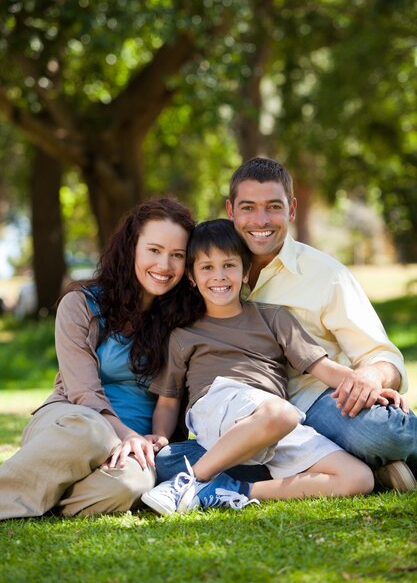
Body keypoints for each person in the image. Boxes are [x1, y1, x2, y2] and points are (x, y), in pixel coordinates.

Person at [155, 157, 417, 492]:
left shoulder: (326, 274)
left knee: (384, 433)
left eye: (273, 207)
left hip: (316, 400)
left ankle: (353, 459)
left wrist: (370, 378)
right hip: (239, 412)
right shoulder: (208, 263)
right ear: (230, 210)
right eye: (248, 207)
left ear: (292, 209)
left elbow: (382, 356)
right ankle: (355, 466)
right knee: (165, 460)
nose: (260, 220)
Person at [141, 219, 376, 515]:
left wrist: (366, 383)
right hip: (219, 405)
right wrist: (161, 438)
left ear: (246, 270)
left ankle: (228, 490)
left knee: (358, 478)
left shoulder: (273, 318)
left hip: (271, 420)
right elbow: (168, 400)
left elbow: (324, 368)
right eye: (207, 268)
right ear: (191, 276)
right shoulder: (184, 334)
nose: (219, 276)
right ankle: (191, 479)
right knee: (282, 412)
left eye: (229, 265)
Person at [0, 197, 198, 520]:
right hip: (71, 423)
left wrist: (150, 440)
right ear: (132, 247)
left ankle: (46, 498)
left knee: (133, 484)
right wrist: (123, 434)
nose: (165, 265)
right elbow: (83, 394)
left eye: (177, 255)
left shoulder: (185, 319)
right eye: (154, 250)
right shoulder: (81, 305)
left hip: (138, 449)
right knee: (92, 433)